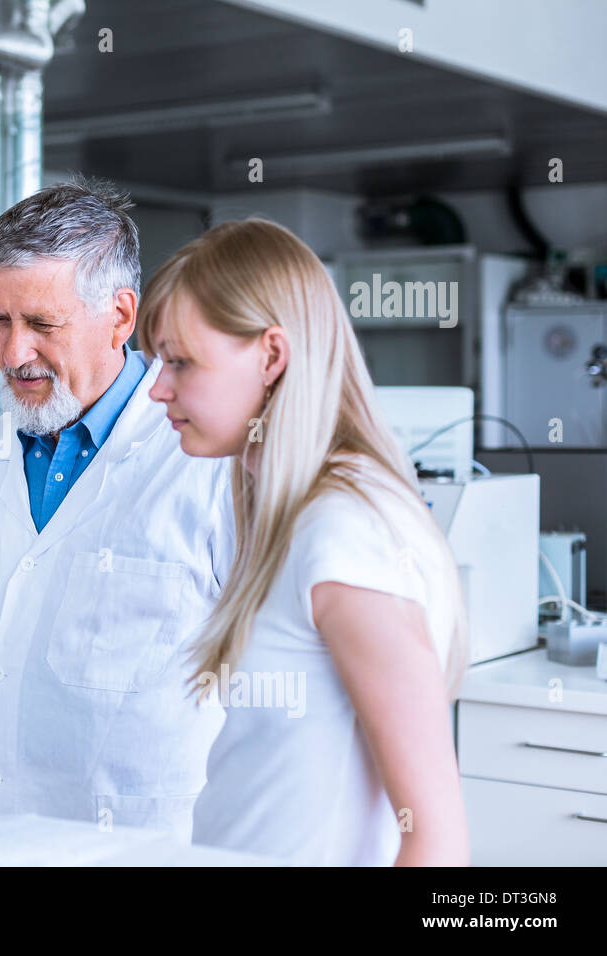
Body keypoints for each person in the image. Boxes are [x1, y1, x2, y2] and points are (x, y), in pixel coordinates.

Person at [136, 217, 470, 866]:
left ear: (271, 355)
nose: (157, 389)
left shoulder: (343, 533)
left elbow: (435, 840)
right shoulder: (280, 511)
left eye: (180, 361)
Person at [0, 178, 235, 838]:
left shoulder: (207, 465)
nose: (15, 353)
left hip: (148, 845)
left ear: (121, 316)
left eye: (43, 324)